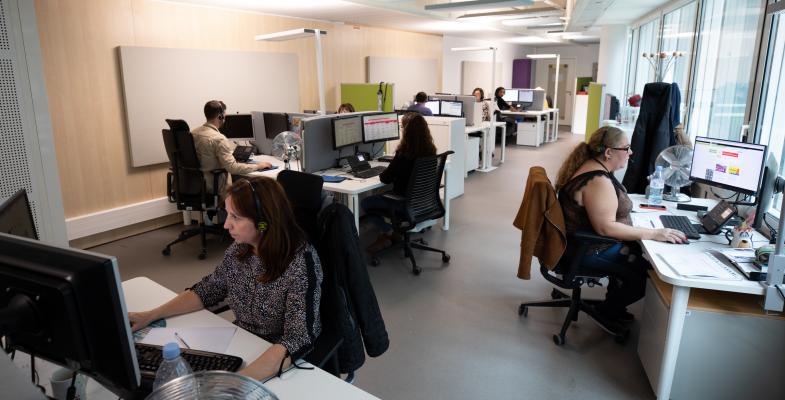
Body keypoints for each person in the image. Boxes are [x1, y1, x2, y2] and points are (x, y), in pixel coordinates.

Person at [129, 176, 322, 380]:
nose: (226, 225)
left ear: (263, 222)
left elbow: (297, 338)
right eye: (228, 214)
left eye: (235, 217)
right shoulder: (240, 249)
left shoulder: (300, 264)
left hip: (277, 359)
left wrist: (234, 382)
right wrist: (150, 315)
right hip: (243, 343)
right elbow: (208, 289)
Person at [555, 126, 687, 322]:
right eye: (626, 148)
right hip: (589, 250)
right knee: (647, 275)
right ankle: (607, 311)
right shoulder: (598, 181)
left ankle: (613, 304)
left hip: (582, 245)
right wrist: (653, 233)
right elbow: (605, 228)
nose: (631, 153)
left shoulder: (593, 167)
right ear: (608, 152)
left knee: (639, 256)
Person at [361, 113, 437, 252]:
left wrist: (382, 170)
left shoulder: (404, 154)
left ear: (406, 132)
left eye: (402, 127)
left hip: (404, 203)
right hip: (424, 203)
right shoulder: (431, 151)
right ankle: (392, 233)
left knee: (366, 203)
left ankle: (388, 232)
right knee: (384, 194)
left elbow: (385, 178)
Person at [191, 100, 272, 195]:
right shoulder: (219, 139)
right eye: (224, 115)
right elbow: (232, 168)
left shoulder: (193, 133)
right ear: (220, 116)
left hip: (196, 185)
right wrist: (258, 166)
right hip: (215, 187)